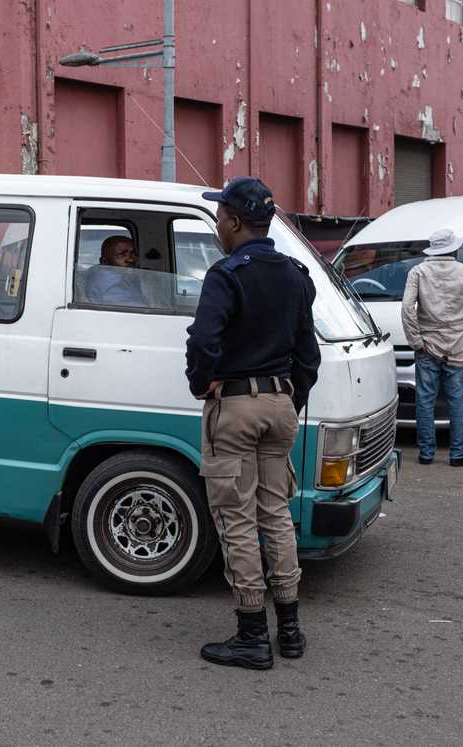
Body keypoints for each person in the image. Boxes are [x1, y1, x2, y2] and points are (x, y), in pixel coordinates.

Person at [185, 176, 320, 671]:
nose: (218, 222)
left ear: (235, 221)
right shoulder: (295, 273)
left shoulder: (227, 274)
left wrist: (204, 383)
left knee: (236, 519)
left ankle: (250, 635)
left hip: (236, 407)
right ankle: (290, 628)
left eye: (221, 214)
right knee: (275, 514)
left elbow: (203, 341)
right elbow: (309, 354)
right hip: (281, 405)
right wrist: (289, 399)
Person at [400, 228, 463, 467]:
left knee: (425, 400)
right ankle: (458, 454)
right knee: (458, 400)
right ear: (455, 248)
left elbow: (407, 308)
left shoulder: (418, 272)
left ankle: (426, 453)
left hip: (427, 346)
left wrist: (416, 341)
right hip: (459, 347)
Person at [84, 235, 146, 306]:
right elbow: (135, 312)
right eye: (122, 254)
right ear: (104, 261)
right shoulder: (110, 283)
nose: (131, 259)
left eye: (133, 253)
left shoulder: (124, 277)